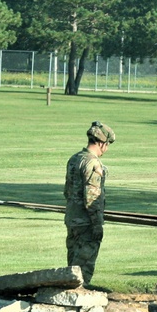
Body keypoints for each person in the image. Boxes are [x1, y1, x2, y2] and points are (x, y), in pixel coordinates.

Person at [64, 120, 115, 285]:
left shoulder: (74, 159)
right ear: (101, 143)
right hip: (86, 221)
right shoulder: (92, 163)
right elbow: (92, 197)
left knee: (72, 263)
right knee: (82, 269)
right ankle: (79, 297)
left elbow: (67, 191)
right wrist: (97, 224)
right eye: (107, 145)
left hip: (72, 218)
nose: (106, 149)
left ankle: (68, 293)